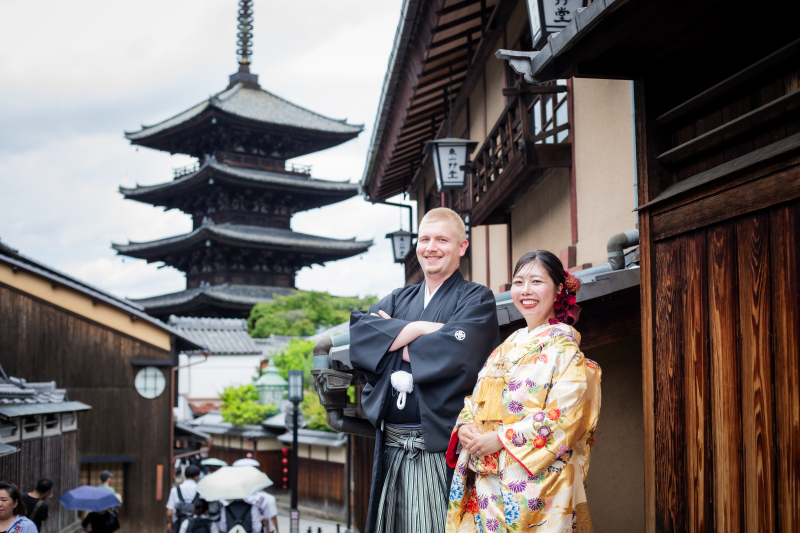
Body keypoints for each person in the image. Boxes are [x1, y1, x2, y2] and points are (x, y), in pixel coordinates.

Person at [349, 207, 501, 533]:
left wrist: (392, 341)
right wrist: (422, 327)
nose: (431, 247)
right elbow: (361, 341)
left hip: (438, 447)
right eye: (425, 239)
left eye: (442, 239)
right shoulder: (398, 298)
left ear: (462, 246)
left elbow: (461, 354)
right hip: (391, 444)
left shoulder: (477, 299)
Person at [445, 250, 602, 533]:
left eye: (536, 282)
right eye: (518, 282)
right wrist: (466, 426)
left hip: (535, 489)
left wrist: (503, 439)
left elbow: (567, 417)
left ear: (558, 290)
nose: (525, 291)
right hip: (487, 483)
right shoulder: (505, 348)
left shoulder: (565, 352)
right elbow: (477, 401)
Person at [167, 465, 201, 533]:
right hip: (196, 526)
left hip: (178, 524)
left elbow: (169, 513)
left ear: (185, 475)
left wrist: (170, 523)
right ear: (197, 476)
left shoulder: (175, 490)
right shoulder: (200, 490)